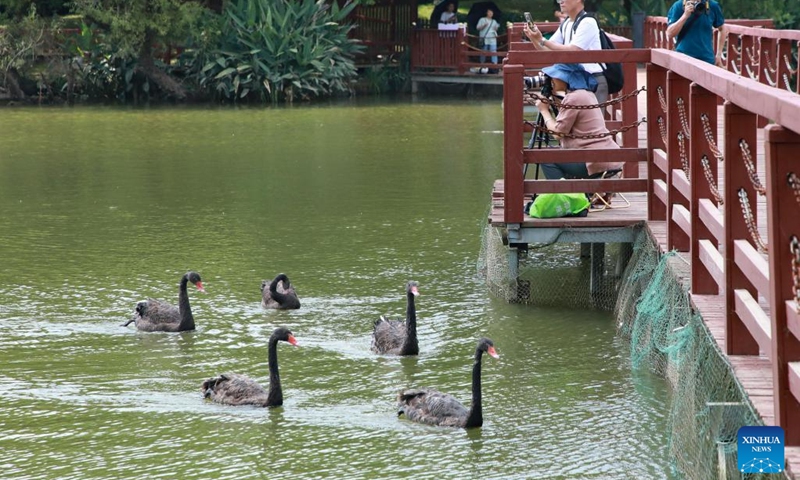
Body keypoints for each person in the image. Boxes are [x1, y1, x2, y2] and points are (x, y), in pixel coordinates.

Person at [530, 63, 623, 180]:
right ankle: (576, 193)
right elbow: (566, 121)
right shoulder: (586, 93)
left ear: (564, 78)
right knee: (561, 155)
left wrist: (544, 111)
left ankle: (563, 196)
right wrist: (554, 97)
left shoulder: (573, 98)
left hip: (593, 161)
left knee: (545, 158)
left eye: (554, 76)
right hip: (605, 156)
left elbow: (558, 134)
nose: (551, 80)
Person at [523, 0, 608, 103]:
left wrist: (542, 40)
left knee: (593, 119)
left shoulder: (588, 21)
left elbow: (574, 50)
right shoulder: (567, 22)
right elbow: (548, 49)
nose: (560, 1)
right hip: (574, 78)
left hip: (592, 79)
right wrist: (533, 38)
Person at [666, 0, 726, 66]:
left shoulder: (711, 5)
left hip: (706, 59)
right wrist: (685, 16)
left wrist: (719, 54)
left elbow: (722, 29)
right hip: (683, 58)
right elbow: (670, 33)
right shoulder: (679, 6)